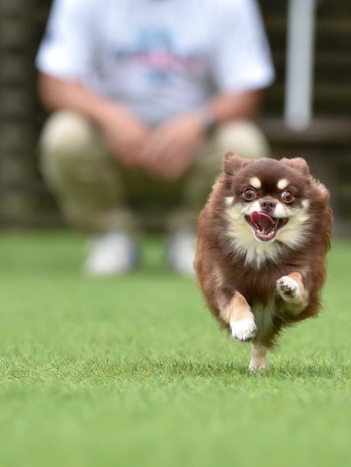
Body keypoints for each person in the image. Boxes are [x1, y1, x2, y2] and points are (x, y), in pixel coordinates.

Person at [36, 0, 275, 277]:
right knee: (65, 133)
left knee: (244, 142)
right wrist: (109, 116)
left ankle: (199, 237)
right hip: (110, 144)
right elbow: (54, 82)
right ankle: (110, 236)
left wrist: (199, 123)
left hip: (197, 146)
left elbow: (246, 90)